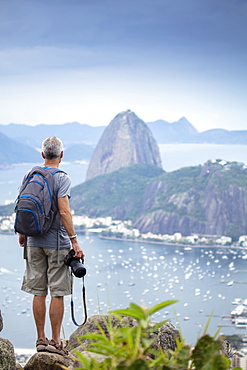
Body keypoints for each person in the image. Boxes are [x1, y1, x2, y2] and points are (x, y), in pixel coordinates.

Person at [18, 136, 84, 356]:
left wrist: (22, 233)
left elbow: (21, 204)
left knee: (38, 292)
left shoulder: (31, 174)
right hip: (57, 243)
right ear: (62, 155)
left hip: (33, 241)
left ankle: (40, 339)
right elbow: (64, 211)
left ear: (42, 154)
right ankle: (56, 342)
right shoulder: (61, 177)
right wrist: (74, 240)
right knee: (58, 292)